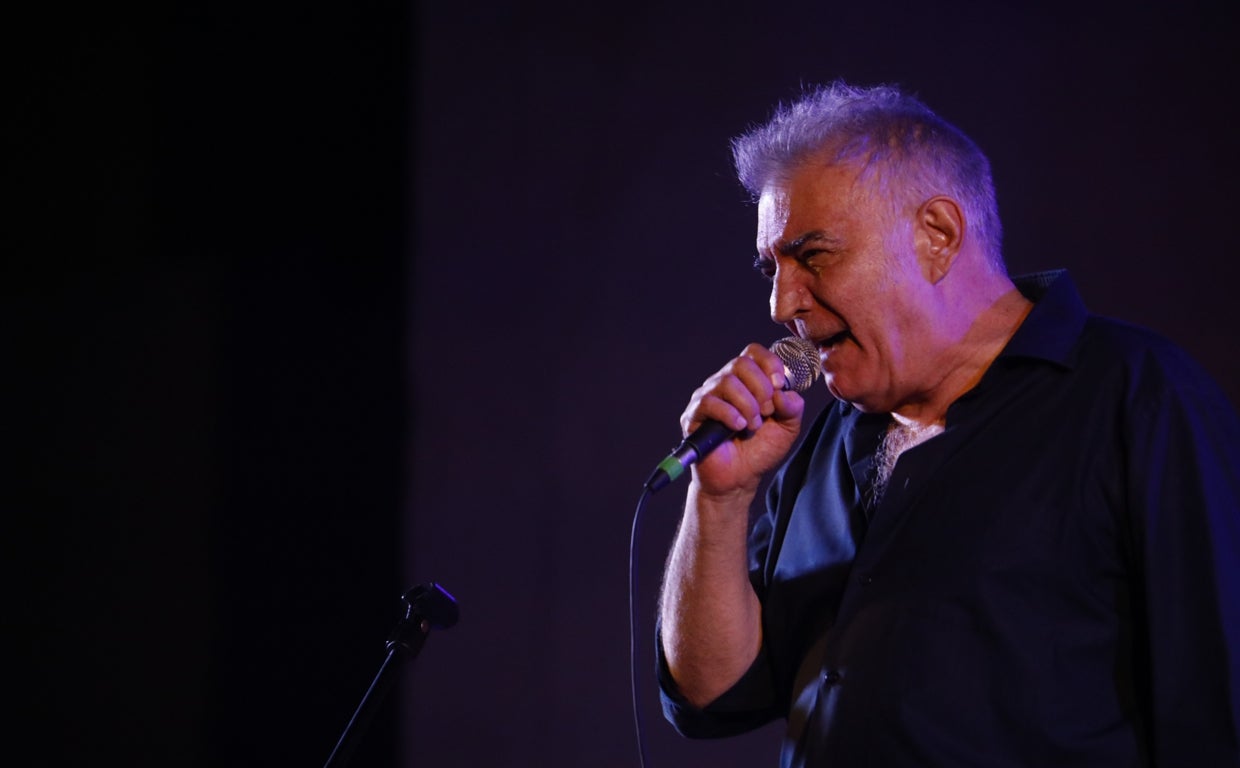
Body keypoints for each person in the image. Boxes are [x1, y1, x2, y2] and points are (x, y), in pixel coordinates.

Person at [656, 81, 1240, 766]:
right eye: (772, 267)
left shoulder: (1137, 395)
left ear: (937, 235)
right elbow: (713, 696)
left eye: (814, 255)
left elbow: (1214, 705)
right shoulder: (828, 437)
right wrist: (720, 501)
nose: (784, 301)